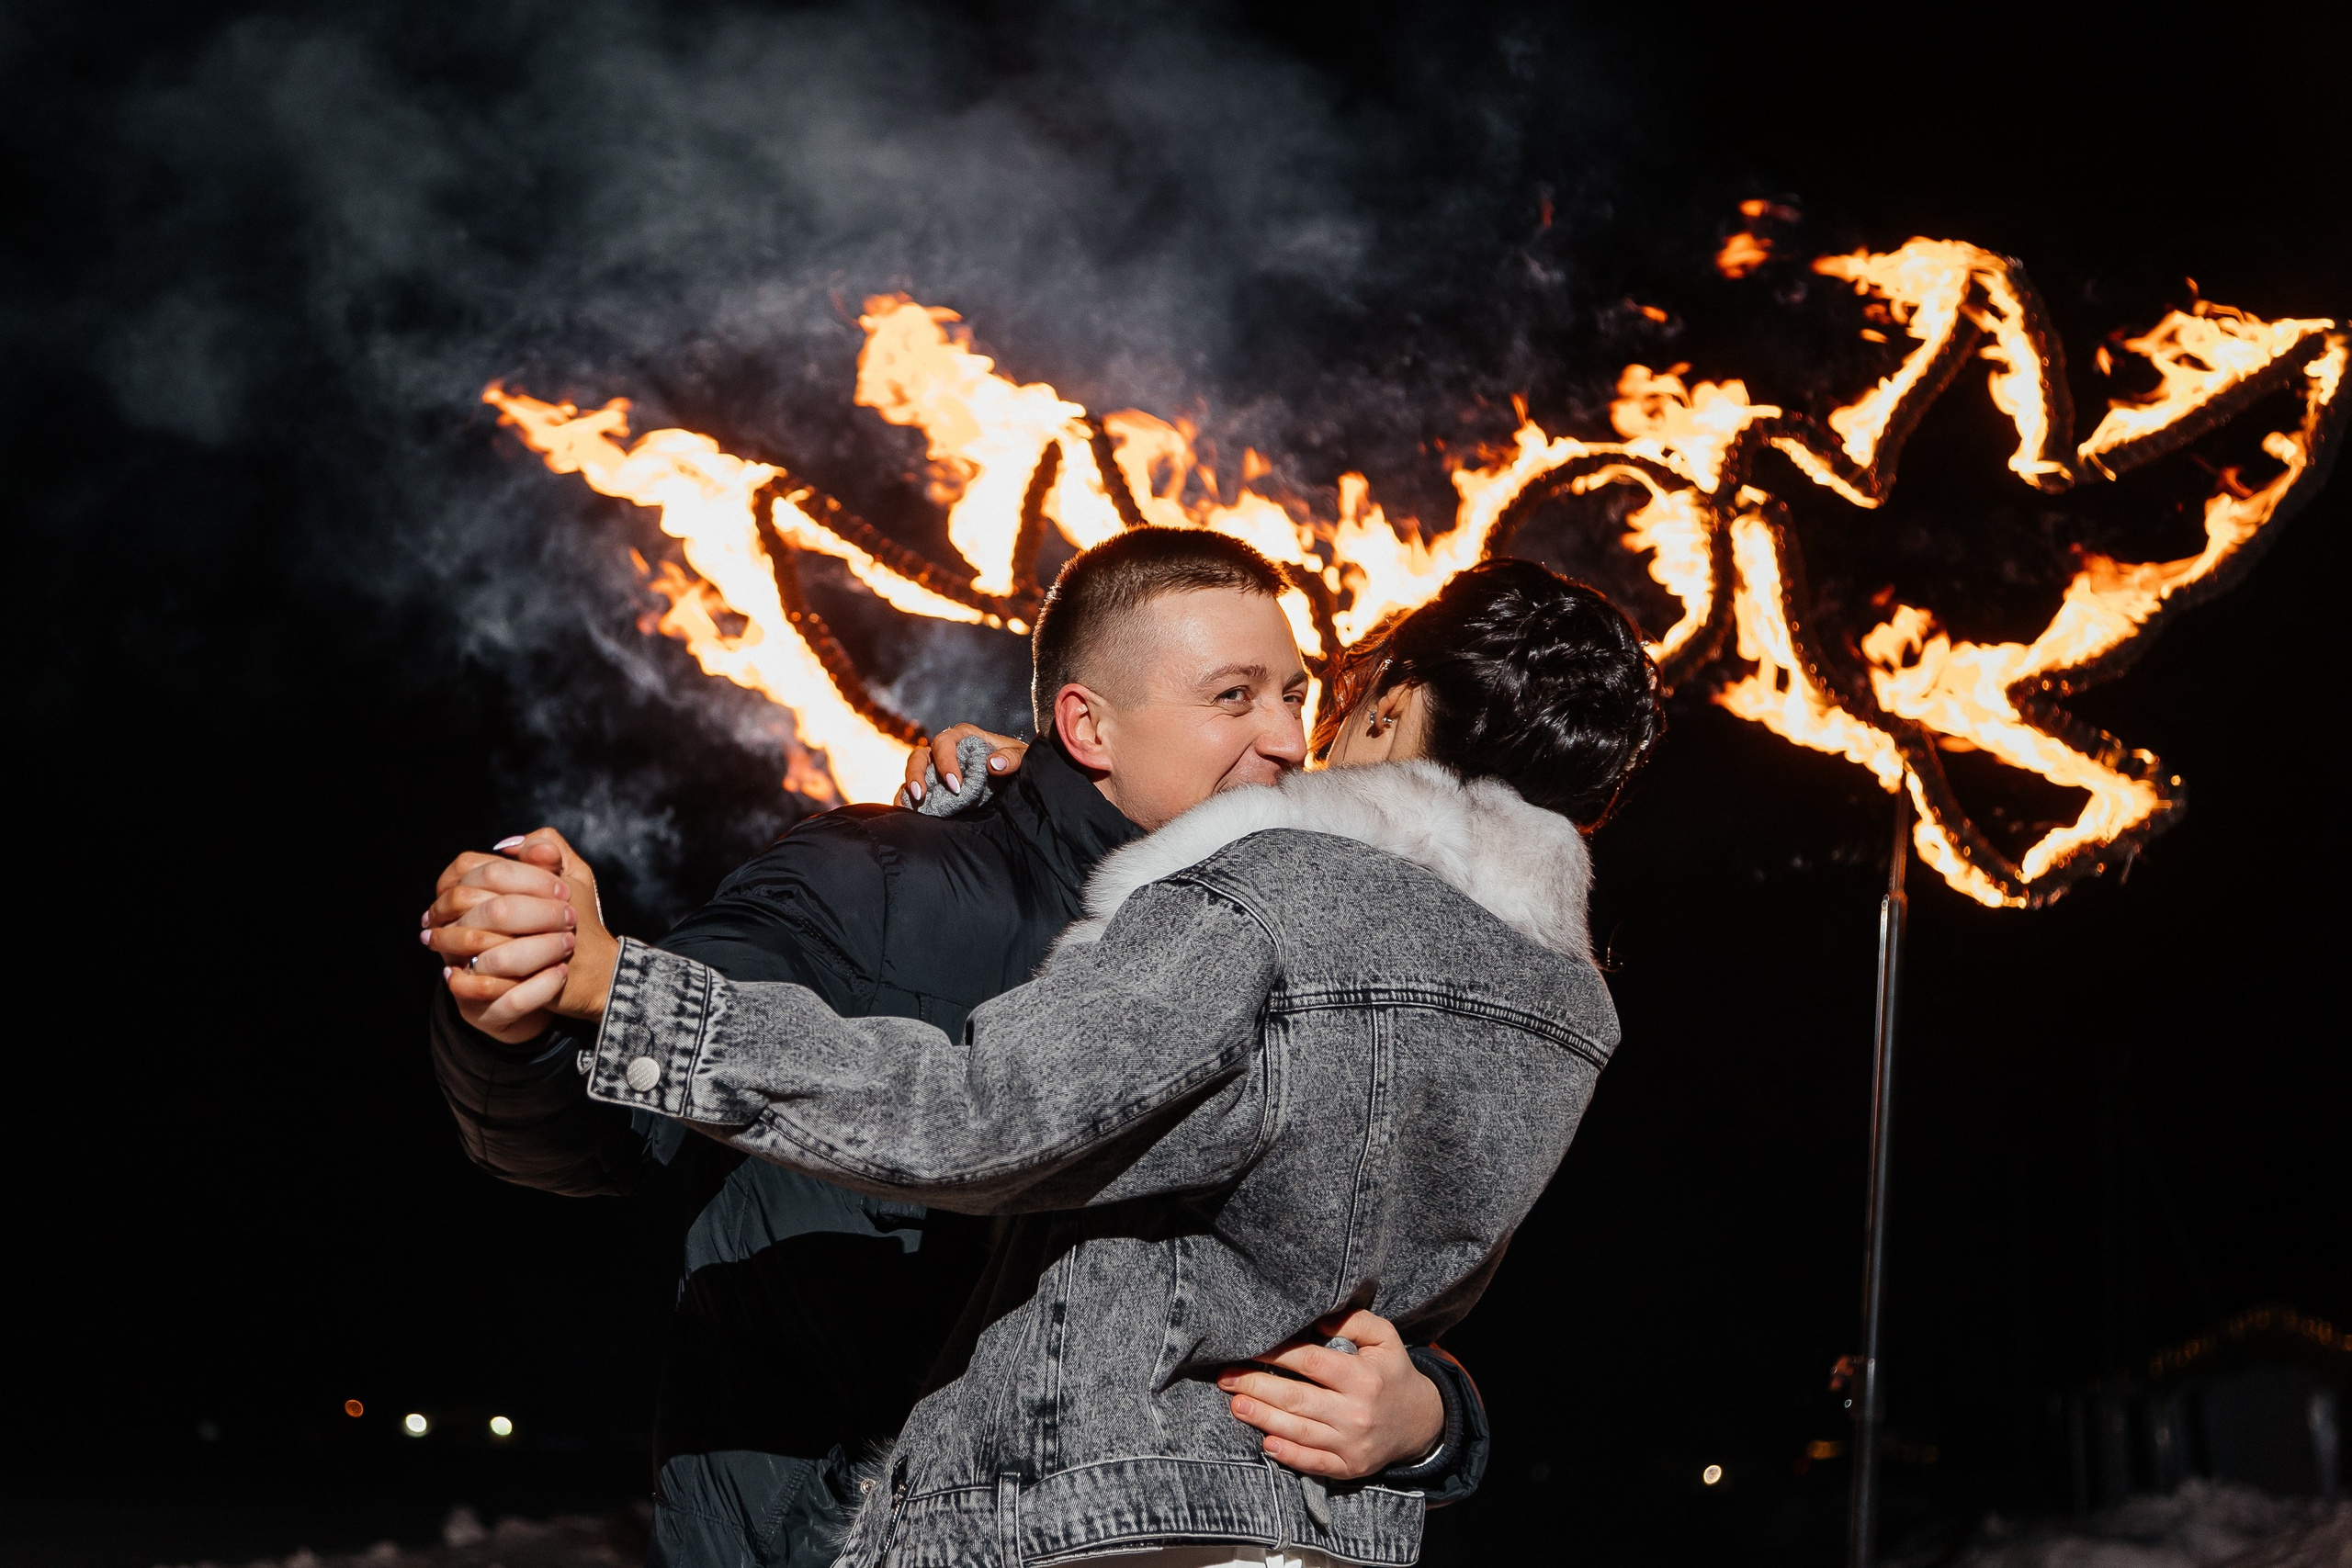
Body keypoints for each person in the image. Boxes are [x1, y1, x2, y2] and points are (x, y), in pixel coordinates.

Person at [475, 558, 1662, 1568]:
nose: (1295, 740)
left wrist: (616, 986)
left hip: (1078, 1513)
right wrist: (1431, 1426)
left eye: (1314, 697)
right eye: (1237, 695)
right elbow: (1373, 1267)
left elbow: (979, 1117)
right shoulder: (1568, 1001)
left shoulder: (1264, 902)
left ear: (1396, 715)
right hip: (1287, 1533)